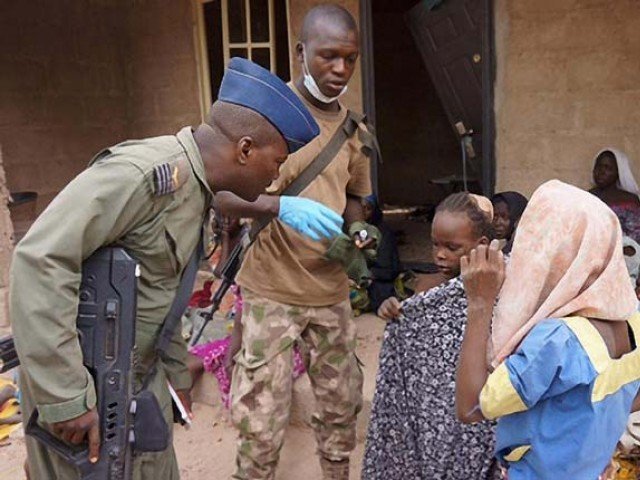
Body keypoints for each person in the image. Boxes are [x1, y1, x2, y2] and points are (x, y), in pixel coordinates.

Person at [10, 58, 344, 480]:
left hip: (133, 382)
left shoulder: (197, 190)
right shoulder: (144, 176)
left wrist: (173, 368)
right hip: (83, 392)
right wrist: (65, 396)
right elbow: (41, 259)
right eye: (275, 162)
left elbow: (155, 289)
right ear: (244, 149)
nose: (276, 177)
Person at [227, 5, 375, 479]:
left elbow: (355, 197)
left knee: (340, 411)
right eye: (328, 56)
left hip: (330, 292)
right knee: (261, 423)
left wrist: (357, 229)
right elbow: (222, 196)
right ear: (300, 52)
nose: (340, 70)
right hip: (272, 292)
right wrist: (278, 206)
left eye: (349, 59)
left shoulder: (354, 131)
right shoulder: (263, 118)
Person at [456, 180, 640, 480]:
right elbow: (620, 393)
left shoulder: (557, 342)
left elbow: (471, 407)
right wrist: (591, 430)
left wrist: (480, 303)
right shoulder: (634, 319)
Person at [363, 192, 500, 480]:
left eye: (452, 247)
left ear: (481, 245)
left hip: (477, 412)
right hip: (434, 415)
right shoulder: (427, 288)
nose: (440, 254)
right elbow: (411, 328)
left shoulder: (499, 290)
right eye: (436, 244)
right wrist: (393, 310)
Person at [590, 148, 640, 243]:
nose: (601, 172)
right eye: (598, 167)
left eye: (608, 168)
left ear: (618, 172)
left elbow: (636, 235)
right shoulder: (585, 197)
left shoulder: (629, 200)